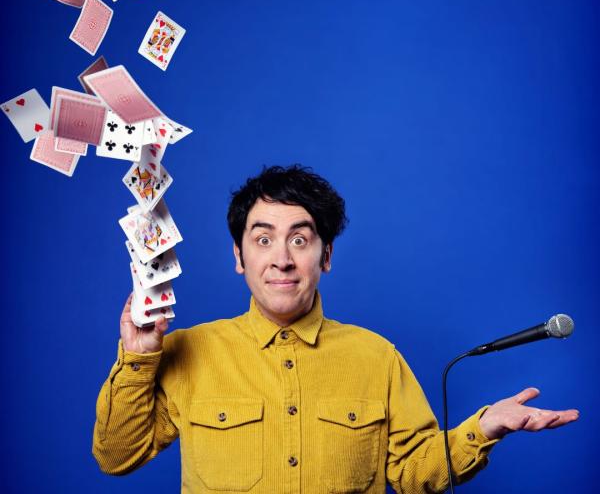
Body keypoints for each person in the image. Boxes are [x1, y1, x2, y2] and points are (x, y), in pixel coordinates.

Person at [93, 165, 579, 493]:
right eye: (263, 239)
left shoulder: (376, 356)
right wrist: (137, 357)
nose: (282, 259)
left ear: (325, 255)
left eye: (299, 239)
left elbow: (414, 471)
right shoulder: (188, 351)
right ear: (239, 257)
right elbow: (116, 456)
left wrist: (484, 427)